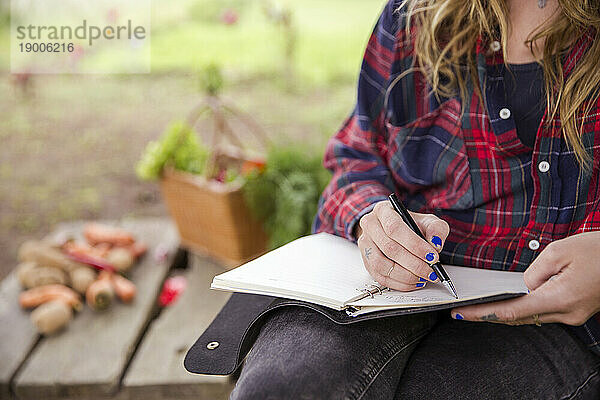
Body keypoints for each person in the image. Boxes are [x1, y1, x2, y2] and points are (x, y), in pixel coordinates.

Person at [230, 0, 600, 398]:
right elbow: (356, 158)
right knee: (278, 390)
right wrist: (374, 221)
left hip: (559, 321)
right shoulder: (414, 15)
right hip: (391, 289)